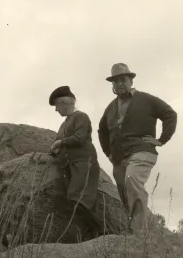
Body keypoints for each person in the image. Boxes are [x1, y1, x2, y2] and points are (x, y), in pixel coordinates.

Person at [98, 63, 177, 236]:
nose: (119, 84)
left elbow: (170, 114)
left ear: (131, 80)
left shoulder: (146, 99)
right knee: (124, 191)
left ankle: (139, 232)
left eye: (123, 80)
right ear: (112, 85)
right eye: (115, 81)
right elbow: (101, 131)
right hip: (119, 158)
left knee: (132, 178)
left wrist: (161, 139)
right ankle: (133, 230)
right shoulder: (110, 108)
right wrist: (108, 153)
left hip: (142, 150)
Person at [49, 85, 103, 238]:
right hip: (69, 167)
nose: (56, 110)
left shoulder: (81, 117)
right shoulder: (63, 124)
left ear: (64, 103)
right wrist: (54, 149)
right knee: (72, 200)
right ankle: (92, 234)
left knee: (78, 198)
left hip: (84, 163)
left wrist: (60, 143)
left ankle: (101, 231)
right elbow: (57, 143)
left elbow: (79, 138)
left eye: (56, 106)